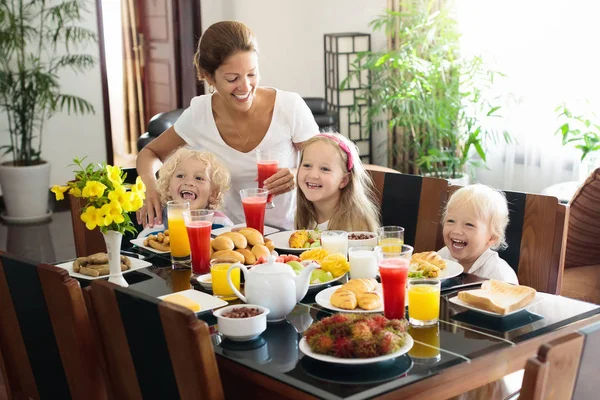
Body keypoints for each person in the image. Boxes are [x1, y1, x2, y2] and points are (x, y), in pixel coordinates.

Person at [136, 20, 318, 230]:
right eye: (232, 78)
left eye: (252, 74)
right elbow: (150, 153)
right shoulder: (200, 115)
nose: (245, 86)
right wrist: (151, 187)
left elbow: (324, 162)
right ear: (208, 77)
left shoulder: (289, 107)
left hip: (291, 235)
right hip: (230, 238)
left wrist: (296, 173)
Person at [137, 147, 233, 237]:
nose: (189, 182)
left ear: (213, 194)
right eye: (180, 176)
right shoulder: (152, 231)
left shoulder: (222, 225)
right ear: (168, 187)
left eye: (199, 178)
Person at [295, 132, 380, 232]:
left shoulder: (355, 227)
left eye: (325, 169)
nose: (313, 175)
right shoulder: (306, 216)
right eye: (307, 165)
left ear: (344, 180)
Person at [438, 184, 518, 284]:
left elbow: (509, 298)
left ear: (491, 238)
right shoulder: (442, 258)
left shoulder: (498, 274)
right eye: (450, 221)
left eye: (469, 225)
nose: (456, 231)